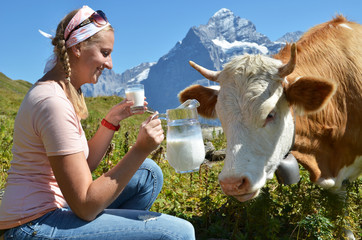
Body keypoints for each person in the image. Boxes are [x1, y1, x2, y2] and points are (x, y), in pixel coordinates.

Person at [0, 6, 195, 240]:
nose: (110, 64)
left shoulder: (62, 92)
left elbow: (81, 167)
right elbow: (85, 205)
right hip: (32, 225)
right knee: (178, 234)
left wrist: (110, 122)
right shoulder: (53, 103)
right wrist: (140, 149)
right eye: (105, 53)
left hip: (58, 207)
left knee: (149, 174)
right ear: (78, 47)